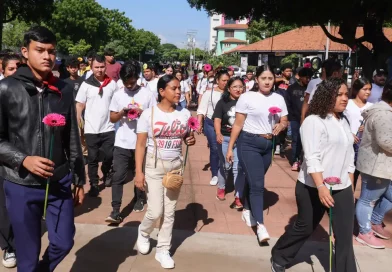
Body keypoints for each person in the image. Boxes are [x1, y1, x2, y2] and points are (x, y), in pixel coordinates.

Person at [0, 26, 85, 272]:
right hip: (20, 183)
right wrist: (23, 159)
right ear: (25, 52)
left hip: (58, 180)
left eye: (51, 51)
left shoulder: (65, 89)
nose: (47, 56)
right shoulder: (6, 89)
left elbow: (72, 137)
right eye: (40, 50)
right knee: (27, 256)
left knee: (63, 241)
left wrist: (78, 178)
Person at [271, 78, 356, 272]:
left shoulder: (343, 120)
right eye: (339, 95)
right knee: (305, 227)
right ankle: (280, 255)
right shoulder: (313, 121)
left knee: (344, 236)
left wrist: (349, 186)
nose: (345, 99)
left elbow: (349, 156)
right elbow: (312, 157)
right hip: (312, 186)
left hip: (341, 187)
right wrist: (320, 187)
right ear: (327, 96)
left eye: (346, 94)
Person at [135, 75, 195, 269]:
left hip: (175, 166)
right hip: (154, 166)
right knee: (155, 211)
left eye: (179, 88)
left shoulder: (184, 113)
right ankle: (144, 232)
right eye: (174, 88)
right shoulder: (148, 114)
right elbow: (141, 144)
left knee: (169, 213)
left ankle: (163, 249)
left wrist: (189, 140)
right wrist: (138, 172)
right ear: (162, 91)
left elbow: (187, 136)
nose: (179, 92)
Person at [227, 65, 288, 241]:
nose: (267, 82)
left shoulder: (279, 98)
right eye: (263, 78)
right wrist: (230, 147)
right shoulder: (247, 98)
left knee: (254, 179)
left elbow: (284, 119)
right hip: (249, 142)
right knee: (258, 185)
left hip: (268, 144)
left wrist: (281, 125)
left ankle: (246, 208)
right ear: (257, 80)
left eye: (270, 78)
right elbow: (238, 124)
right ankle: (260, 225)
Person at [105, 61, 157, 223]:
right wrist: (122, 113)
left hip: (142, 142)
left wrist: (143, 113)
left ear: (137, 78)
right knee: (118, 176)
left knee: (139, 173)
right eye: (127, 83)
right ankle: (115, 210)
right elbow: (112, 117)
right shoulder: (118, 95)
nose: (130, 85)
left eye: (133, 82)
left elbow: (154, 117)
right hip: (122, 141)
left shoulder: (147, 94)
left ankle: (140, 198)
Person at [355, 81, 392, 249]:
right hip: (376, 165)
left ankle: (375, 221)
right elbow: (385, 141)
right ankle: (364, 232)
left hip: (383, 164)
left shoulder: (385, 111)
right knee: (367, 200)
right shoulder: (384, 114)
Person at [75, 55, 117, 196]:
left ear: (106, 67)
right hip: (91, 128)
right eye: (96, 67)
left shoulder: (112, 84)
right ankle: (93, 183)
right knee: (92, 158)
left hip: (109, 127)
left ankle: (107, 172)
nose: (99, 70)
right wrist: (77, 119)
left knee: (109, 155)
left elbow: (118, 103)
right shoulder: (86, 84)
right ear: (91, 68)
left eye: (102, 67)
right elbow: (80, 104)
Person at [0, 53, 21, 269]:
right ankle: (9, 246)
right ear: (3, 71)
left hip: (19, 158)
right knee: (3, 207)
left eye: (18, 68)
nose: (15, 73)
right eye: (11, 69)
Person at [213, 77, 245, 209]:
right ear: (229, 88)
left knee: (238, 167)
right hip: (225, 138)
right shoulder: (222, 102)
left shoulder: (246, 101)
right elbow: (217, 119)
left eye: (240, 87)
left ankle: (238, 196)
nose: (238, 89)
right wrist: (218, 133)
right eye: (235, 87)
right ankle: (221, 187)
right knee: (226, 166)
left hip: (241, 139)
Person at [197, 69, 230, 186]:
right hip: (210, 123)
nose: (226, 83)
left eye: (228, 80)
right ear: (217, 80)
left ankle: (225, 170)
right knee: (215, 147)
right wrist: (199, 123)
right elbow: (201, 109)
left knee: (226, 148)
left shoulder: (232, 93)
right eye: (223, 80)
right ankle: (215, 174)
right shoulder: (209, 93)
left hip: (227, 125)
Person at [344, 78, 373, 188]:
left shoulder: (372, 106)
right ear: (356, 90)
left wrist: (366, 128)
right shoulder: (347, 104)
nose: (368, 92)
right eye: (364, 89)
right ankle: (349, 199)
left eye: (369, 89)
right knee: (351, 174)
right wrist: (350, 134)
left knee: (366, 178)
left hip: (365, 146)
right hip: (349, 144)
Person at [285, 68, 313, 171]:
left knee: (307, 140)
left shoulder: (312, 89)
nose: (308, 79)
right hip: (294, 119)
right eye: (306, 77)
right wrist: (289, 118)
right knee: (296, 139)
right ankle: (295, 160)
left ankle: (304, 160)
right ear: (300, 77)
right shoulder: (292, 88)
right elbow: (287, 103)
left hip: (309, 119)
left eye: (310, 77)